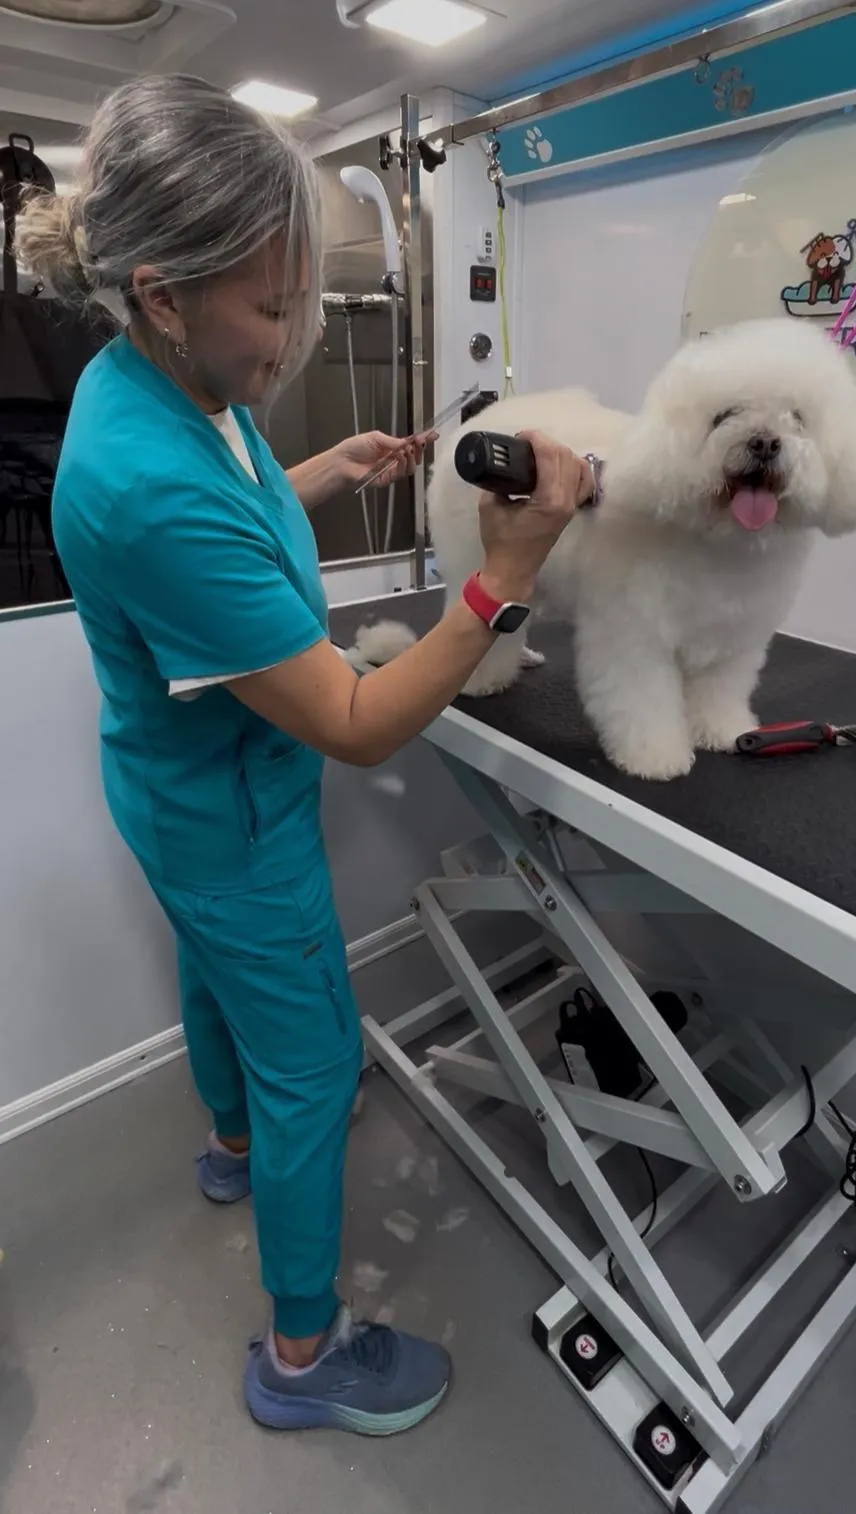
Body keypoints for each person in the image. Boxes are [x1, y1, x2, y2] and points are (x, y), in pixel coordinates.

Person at [17, 73, 592, 1436]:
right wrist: (505, 577)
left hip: (171, 786)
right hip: (232, 817)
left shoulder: (146, 381)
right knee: (315, 1065)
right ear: (162, 292)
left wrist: (330, 467)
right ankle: (301, 1350)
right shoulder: (146, 480)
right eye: (274, 312)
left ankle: (231, 1147)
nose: (290, 340)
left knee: (218, 985)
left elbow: (227, 497)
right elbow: (354, 718)